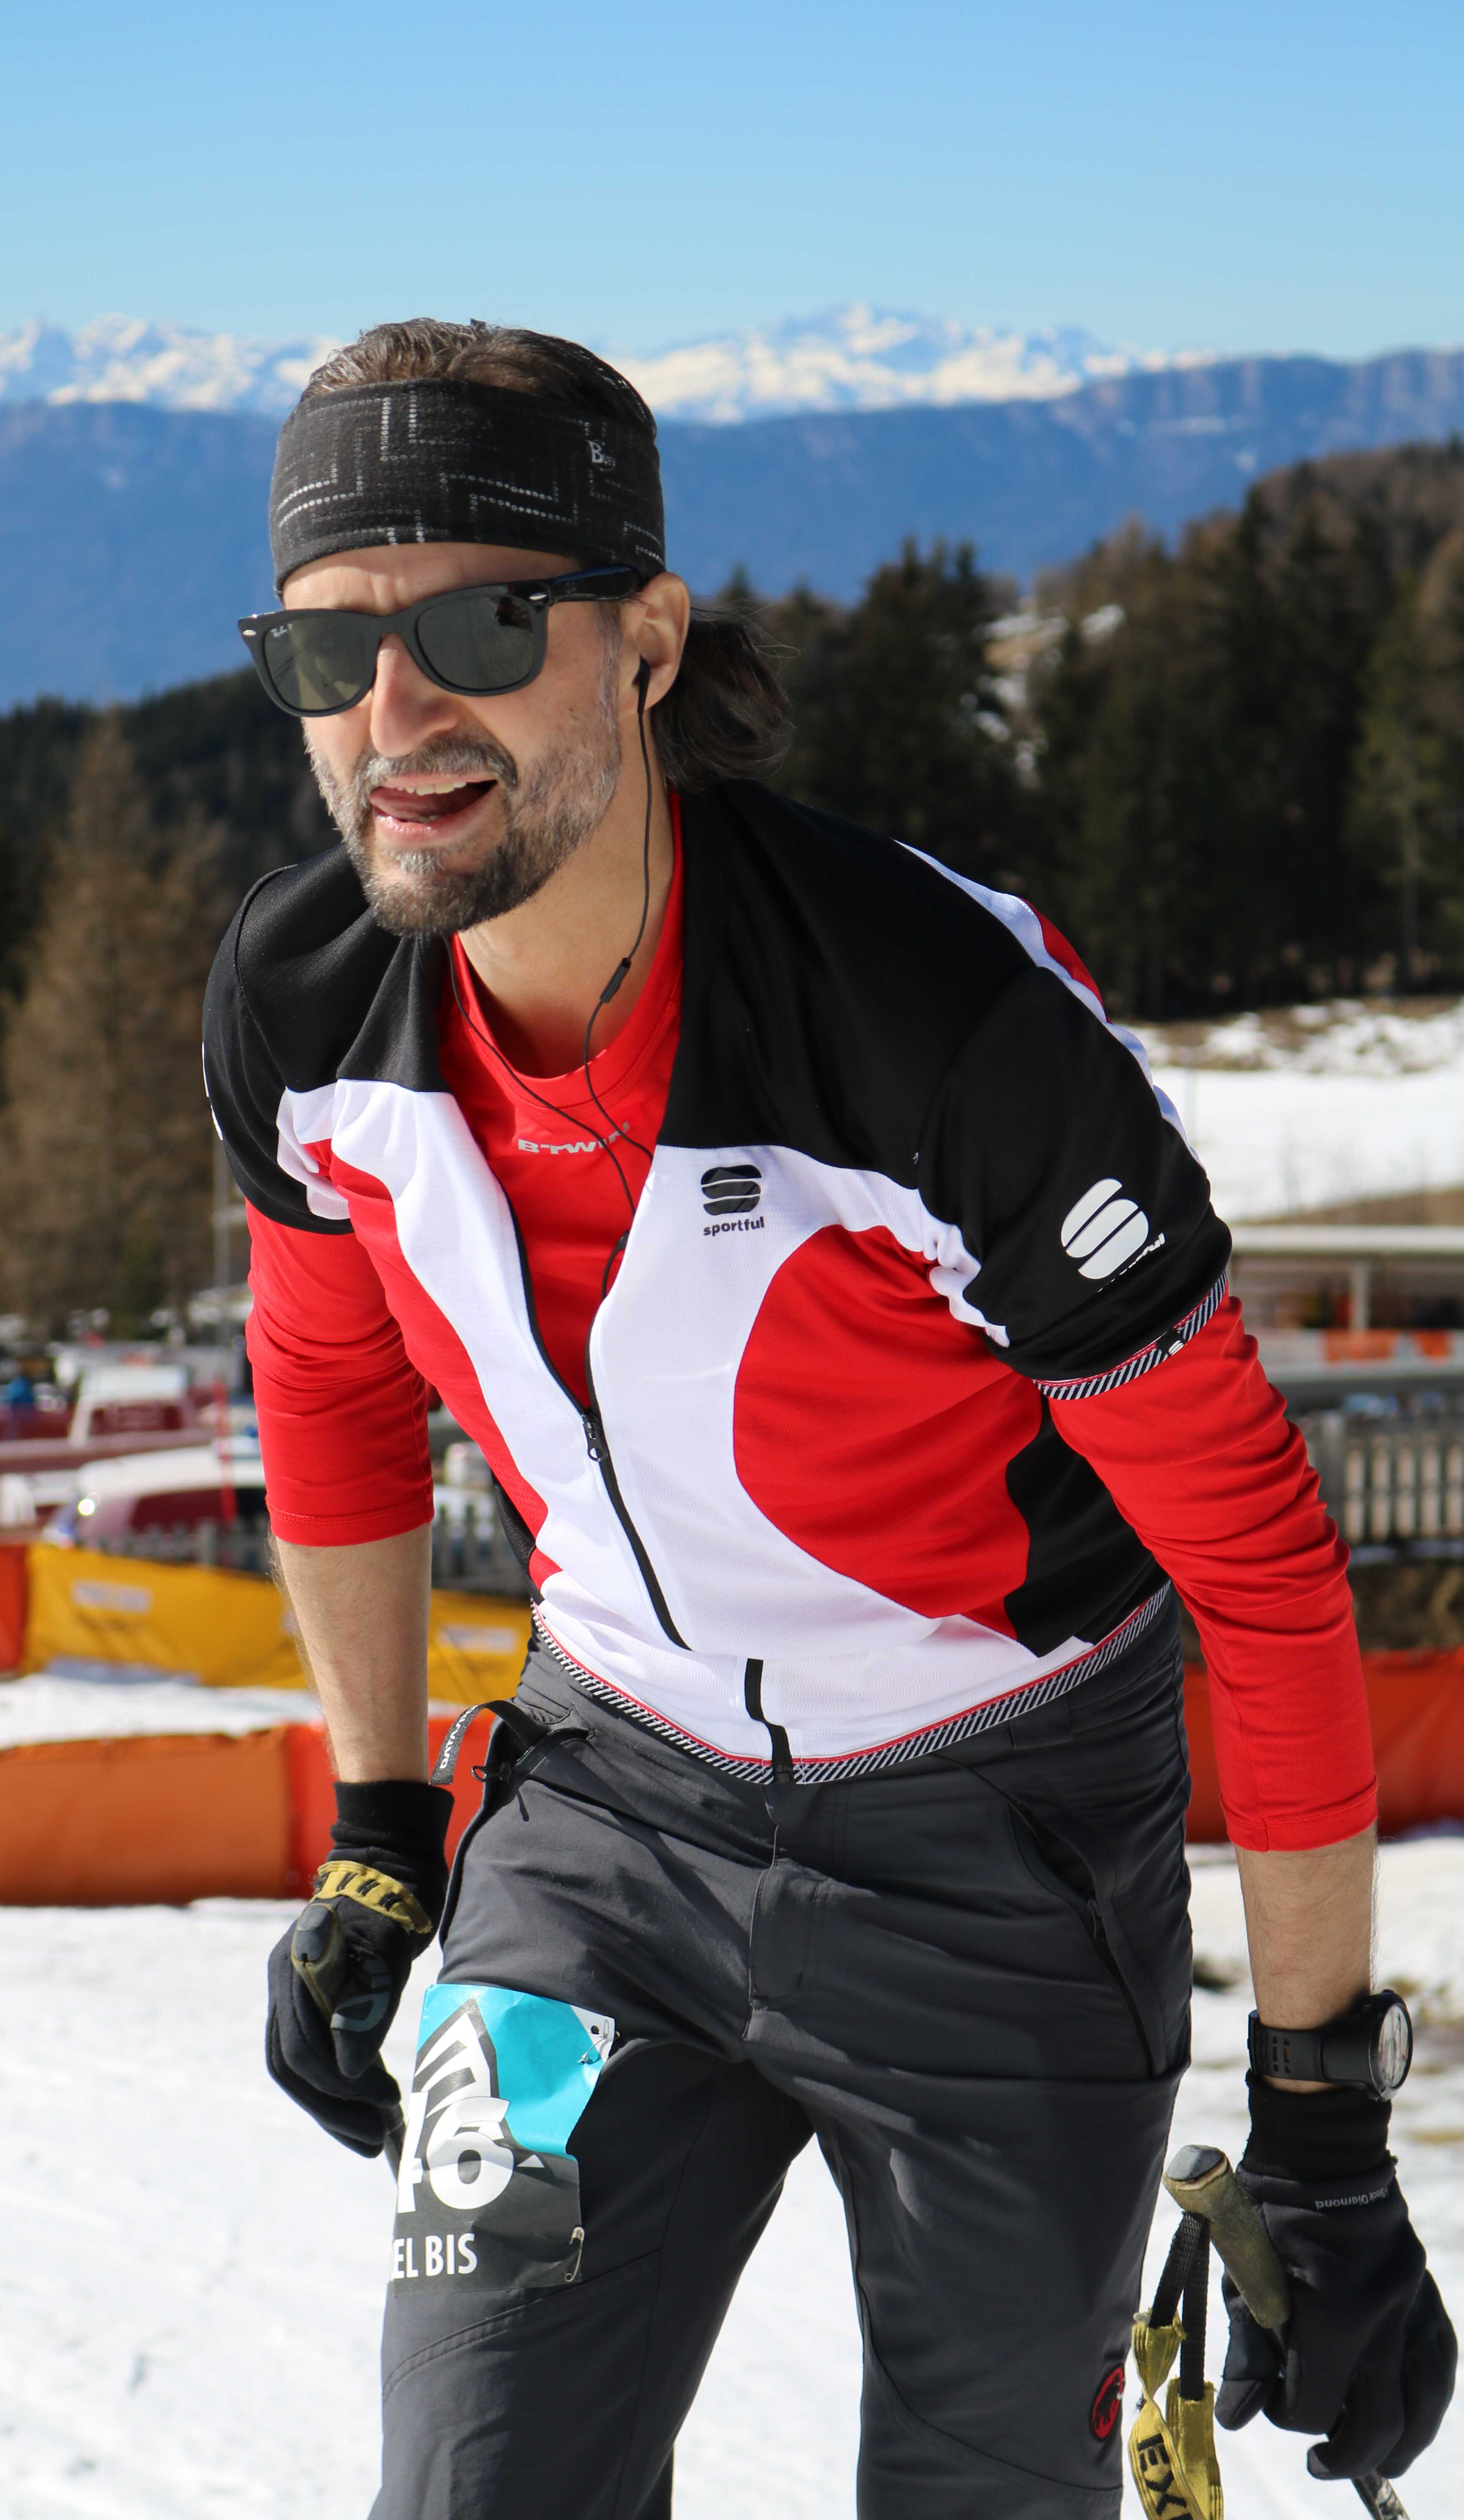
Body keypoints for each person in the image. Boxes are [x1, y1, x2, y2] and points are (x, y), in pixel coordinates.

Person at [204, 320, 1454, 2519]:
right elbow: (324, 1384)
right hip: (596, 1838)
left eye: (482, 629)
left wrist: (1328, 2129)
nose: (394, 717)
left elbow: (1258, 1570)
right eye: (326, 650)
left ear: (645, 642)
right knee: (472, 2490)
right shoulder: (305, 1006)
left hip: (1002, 1862)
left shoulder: (938, 1027)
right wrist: (386, 1828)